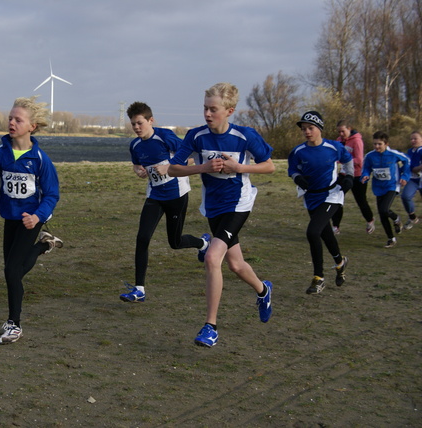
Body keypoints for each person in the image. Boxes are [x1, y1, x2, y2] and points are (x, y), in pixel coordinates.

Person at [167, 82, 274, 348]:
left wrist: (238, 167)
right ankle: (263, 290)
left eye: (213, 109)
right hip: (213, 207)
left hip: (238, 204)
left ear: (229, 111)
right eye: (205, 108)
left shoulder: (244, 135)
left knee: (213, 257)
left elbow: (269, 166)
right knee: (235, 265)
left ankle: (210, 326)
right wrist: (202, 167)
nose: (207, 114)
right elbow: (173, 169)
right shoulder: (196, 136)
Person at [0, 96, 62, 345]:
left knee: (12, 271)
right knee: (13, 271)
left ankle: (14, 325)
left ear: (32, 126)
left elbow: (53, 193)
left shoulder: (41, 159)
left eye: (18, 119)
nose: (11, 122)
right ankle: (45, 245)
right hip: (10, 219)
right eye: (10, 118)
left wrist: (38, 216)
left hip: (31, 220)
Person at [119, 102, 210, 303]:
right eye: (133, 124)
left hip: (177, 194)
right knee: (142, 238)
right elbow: (136, 164)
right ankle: (139, 289)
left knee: (175, 242)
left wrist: (168, 166)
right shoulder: (135, 144)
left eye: (139, 123)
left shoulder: (165, 136)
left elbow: (192, 158)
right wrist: (139, 171)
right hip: (154, 196)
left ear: (151, 120)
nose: (136, 128)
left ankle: (203, 243)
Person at [288, 111, 353, 295]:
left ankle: (319, 278)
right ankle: (340, 263)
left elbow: (349, 161)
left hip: (332, 195)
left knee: (313, 232)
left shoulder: (334, 147)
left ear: (320, 128)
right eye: (304, 129)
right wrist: (297, 178)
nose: (307, 132)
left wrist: (349, 177)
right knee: (325, 234)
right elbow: (292, 169)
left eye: (311, 128)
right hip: (311, 197)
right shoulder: (298, 151)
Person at [361, 131, 410, 248]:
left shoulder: (393, 154)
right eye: (374, 144)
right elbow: (366, 168)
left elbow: (407, 161)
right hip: (378, 187)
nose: (377, 146)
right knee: (382, 215)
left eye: (379, 144)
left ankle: (396, 218)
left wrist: (404, 176)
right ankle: (391, 238)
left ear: (386, 144)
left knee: (384, 209)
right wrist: (365, 175)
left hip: (392, 185)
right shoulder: (370, 156)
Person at [331, 120, 375, 234]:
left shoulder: (357, 141)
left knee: (361, 201)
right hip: (343, 175)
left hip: (357, 175)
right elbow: (336, 155)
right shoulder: (339, 141)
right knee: (337, 199)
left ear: (349, 129)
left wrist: (345, 161)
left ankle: (370, 220)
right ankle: (335, 226)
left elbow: (359, 160)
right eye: (339, 132)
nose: (341, 134)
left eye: (343, 131)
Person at [400, 130, 422, 230]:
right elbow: (410, 167)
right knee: (405, 196)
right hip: (413, 179)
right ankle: (412, 217)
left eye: (415, 138)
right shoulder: (410, 151)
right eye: (411, 139)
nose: (413, 141)